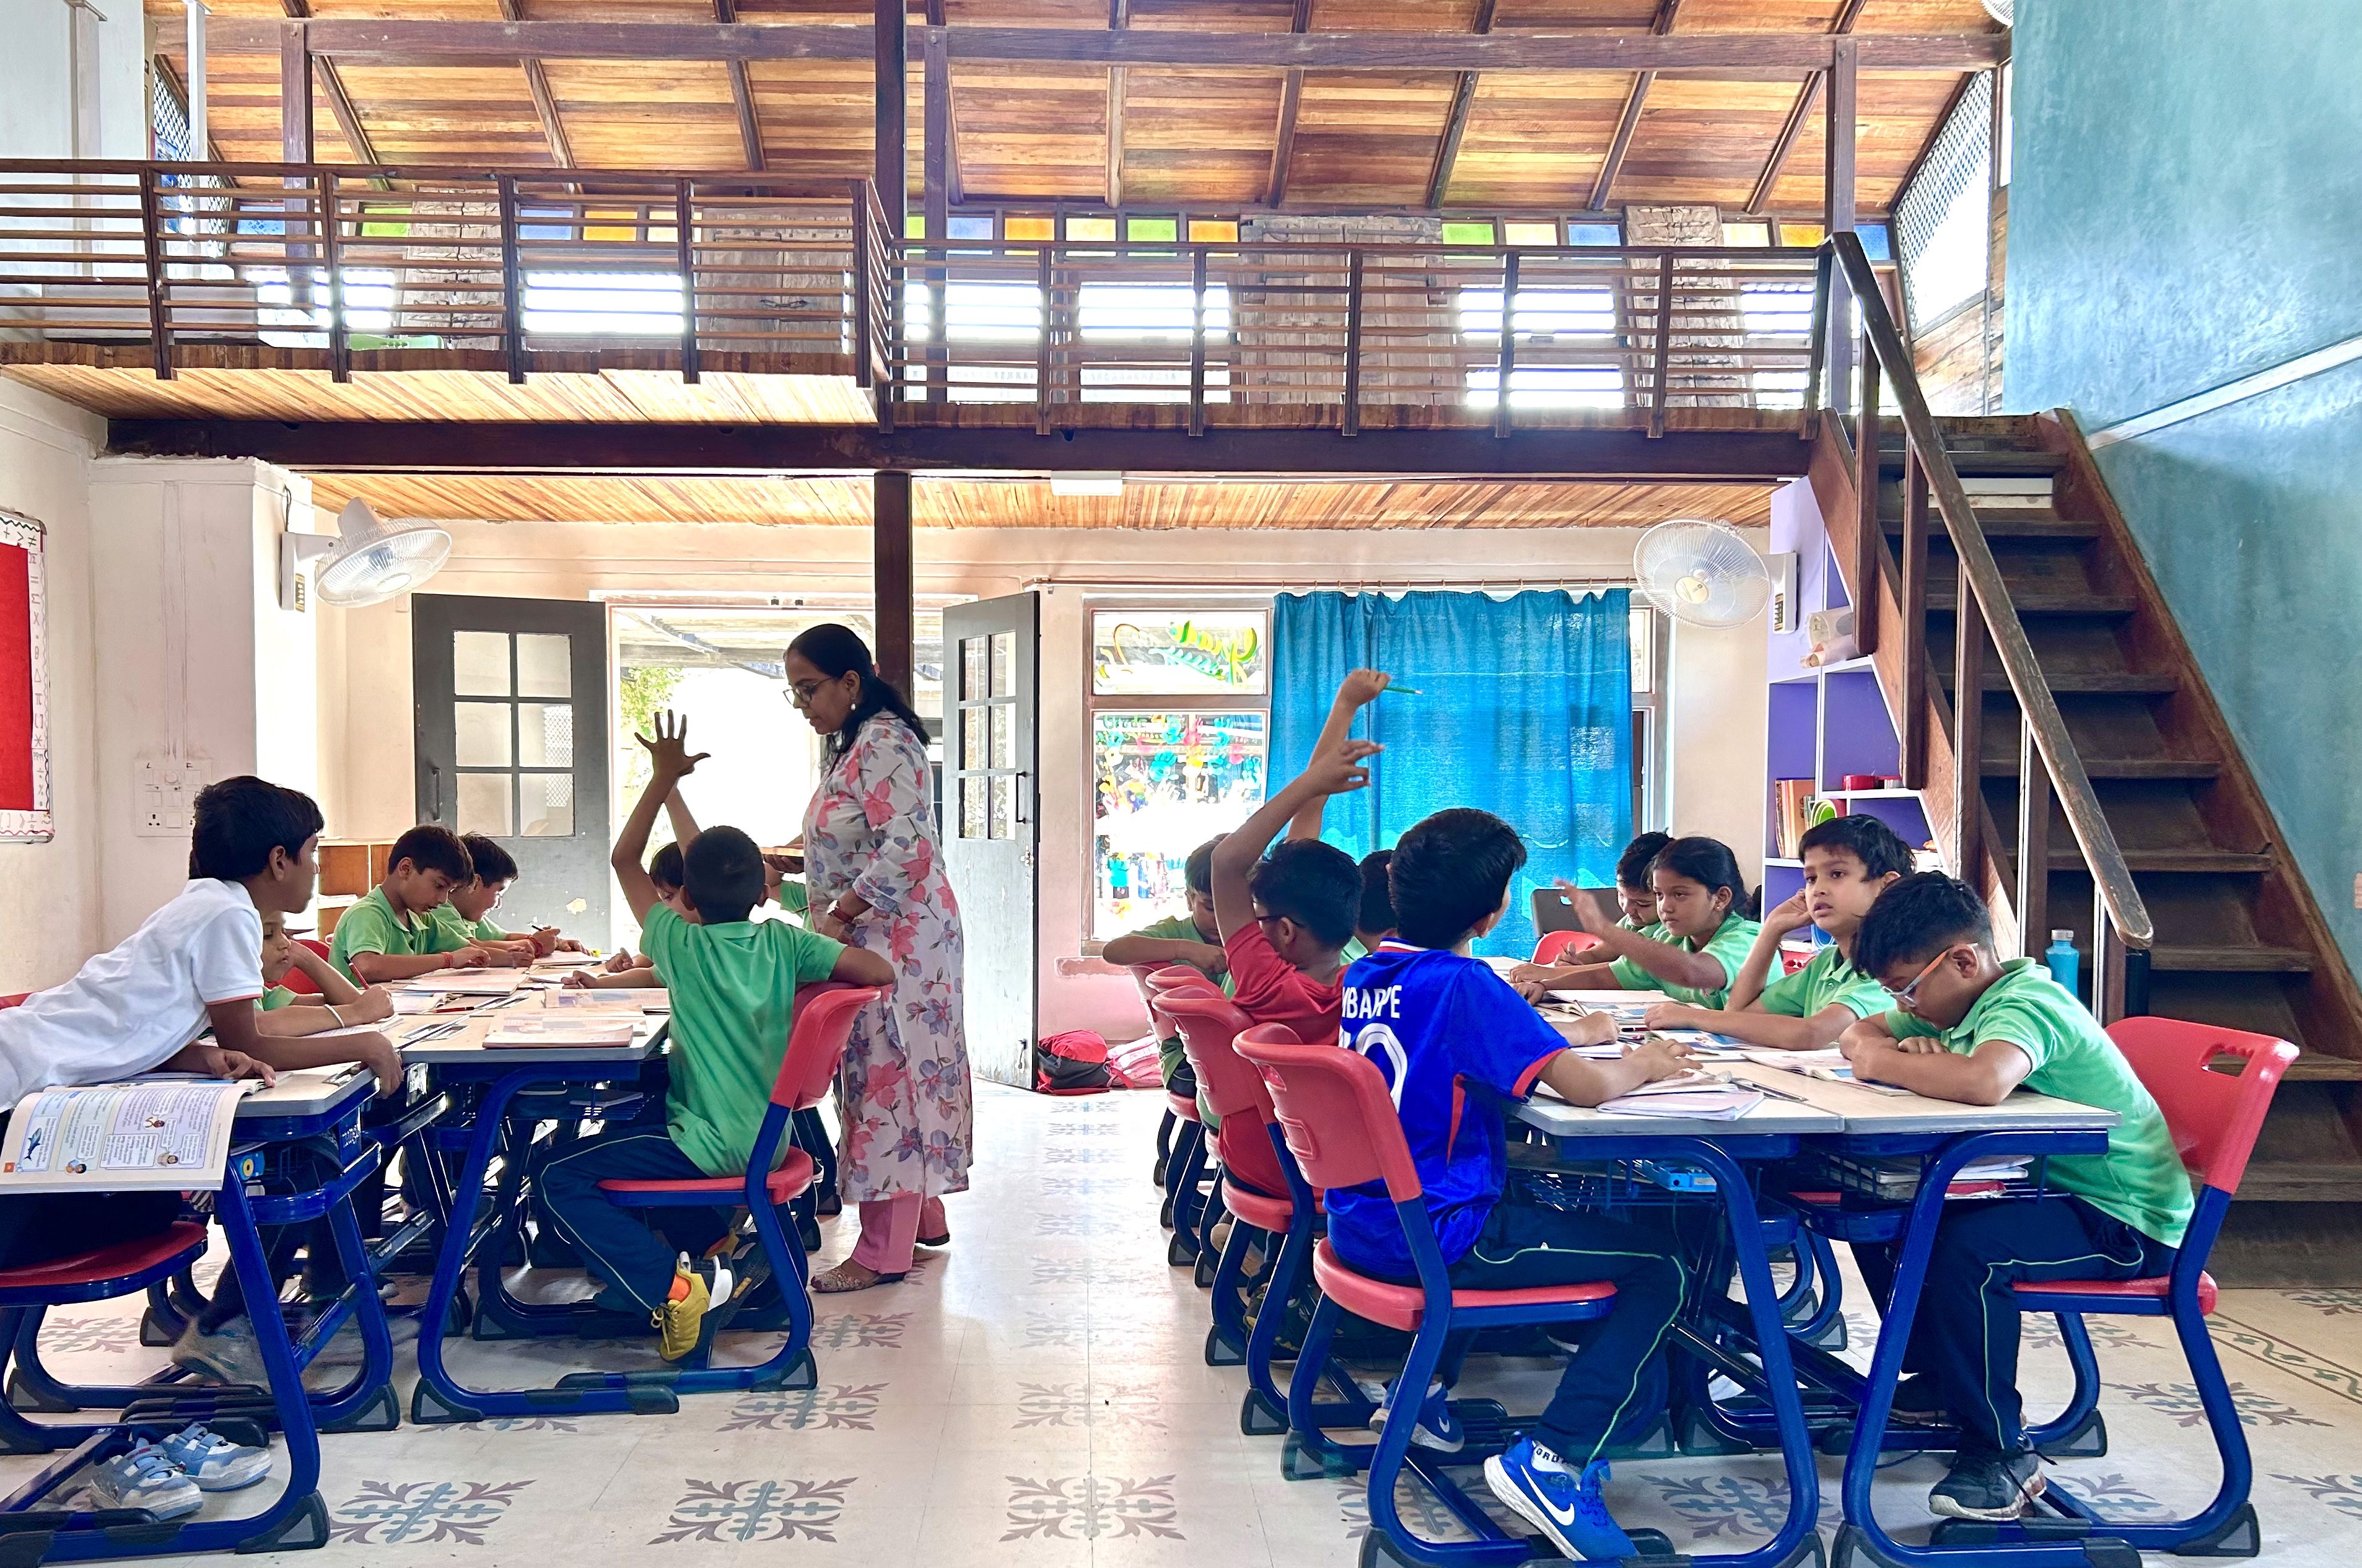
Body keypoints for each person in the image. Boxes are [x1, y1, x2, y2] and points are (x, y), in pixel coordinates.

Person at [1331, 807, 1692, 1562]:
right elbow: (1590, 1093)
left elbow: (1461, 1047)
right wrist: (1646, 1064)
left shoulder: (1367, 974)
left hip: (1364, 1225)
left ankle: (1418, 1396)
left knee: (1528, 1198)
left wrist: (1569, 1034)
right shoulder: (1468, 983)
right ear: (1494, 911)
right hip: (1443, 1236)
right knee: (1664, 1266)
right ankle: (1553, 1458)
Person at [1838, 874, 2195, 1523]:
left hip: (2122, 1219)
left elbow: (1983, 1080)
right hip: (2051, 1192)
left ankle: (2001, 1451)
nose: (1905, 1007)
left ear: (1965, 960)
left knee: (1970, 1251)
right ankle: (1945, 1383)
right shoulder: (1964, 1000)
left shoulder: (2025, 1000)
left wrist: (1883, 1061)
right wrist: (1883, 1041)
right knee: (1891, 1216)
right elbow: (1857, 1031)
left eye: (1908, 989)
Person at [535, 714, 893, 1360]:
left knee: (555, 1175)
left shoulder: (678, 943)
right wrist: (814, 991)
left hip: (704, 1146)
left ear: (686, 900)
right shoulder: (785, 942)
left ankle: (674, 1286)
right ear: (762, 889)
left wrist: (663, 780)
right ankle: (711, 1253)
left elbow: (623, 858)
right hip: (768, 1135)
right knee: (633, 1122)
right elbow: (878, 970)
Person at [0, 776, 291, 1274]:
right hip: (18, 1086)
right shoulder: (230, 912)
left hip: (24, 1062)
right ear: (281, 860)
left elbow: (128, 1028)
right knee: (152, 1207)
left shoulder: (202, 901)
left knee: (153, 1204)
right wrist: (368, 1044)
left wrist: (196, 1056)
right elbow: (247, 1039)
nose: (318, 864)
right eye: (315, 851)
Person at [785, 623, 973, 1292]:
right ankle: (922, 1218)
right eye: (795, 693)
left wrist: (837, 915)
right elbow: (859, 833)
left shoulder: (885, 740)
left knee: (890, 1079)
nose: (804, 704)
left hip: (893, 942)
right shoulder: (859, 744)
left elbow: (907, 849)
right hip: (890, 937)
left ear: (851, 682)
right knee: (905, 1073)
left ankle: (882, 1252)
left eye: (810, 689)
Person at [1644, 814, 1910, 1049]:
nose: (1818, 890)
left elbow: (1811, 1034)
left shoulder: (1889, 970)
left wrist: (1694, 1017)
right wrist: (1772, 930)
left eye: (1837, 874)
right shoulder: (1826, 965)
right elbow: (1739, 1013)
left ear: (1885, 885)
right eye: (1811, 878)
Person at [1207, 733, 1371, 1058]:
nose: (1254, 926)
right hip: (1343, 1110)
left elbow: (1226, 864)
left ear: (1284, 930)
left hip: (1269, 1111)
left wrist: (1310, 782)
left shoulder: (1267, 985)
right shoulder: (1371, 986)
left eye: (1258, 918)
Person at [1510, 836, 1760, 1007]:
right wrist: (1544, 986)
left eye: (1680, 895)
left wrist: (1604, 929)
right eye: (1660, 895)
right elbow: (1605, 977)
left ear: (1721, 898)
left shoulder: (1746, 939)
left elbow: (1693, 972)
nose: (1666, 907)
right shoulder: (1670, 940)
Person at [1104, 836, 1233, 1108]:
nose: (1222, 917)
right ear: (1189, 899)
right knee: (1251, 1090)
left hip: (1239, 1053)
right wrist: (1184, 949)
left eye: (1235, 907)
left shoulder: (1254, 936)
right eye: (1210, 907)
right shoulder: (1175, 933)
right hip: (1187, 1063)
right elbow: (1113, 951)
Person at [329, 826, 496, 984]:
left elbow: (470, 951)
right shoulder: (367, 913)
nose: (443, 900)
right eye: (439, 886)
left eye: (449, 891)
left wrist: (514, 958)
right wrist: (448, 960)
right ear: (406, 869)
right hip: (359, 1012)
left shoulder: (421, 920)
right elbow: (366, 966)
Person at [427, 834, 581, 965]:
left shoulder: (468, 915)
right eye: (498, 893)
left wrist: (556, 942)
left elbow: (505, 937)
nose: (498, 904)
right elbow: (474, 948)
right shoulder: (440, 907)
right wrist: (535, 944)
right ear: (475, 883)